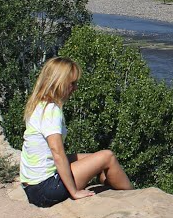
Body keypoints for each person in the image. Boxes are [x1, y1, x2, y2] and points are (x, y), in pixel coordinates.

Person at [20, 57, 133, 207]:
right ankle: (133, 195)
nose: (75, 88)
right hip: (46, 189)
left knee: (93, 158)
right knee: (108, 156)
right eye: (72, 83)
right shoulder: (51, 111)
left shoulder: (38, 104)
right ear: (58, 83)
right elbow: (57, 152)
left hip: (32, 186)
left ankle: (109, 185)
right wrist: (74, 192)